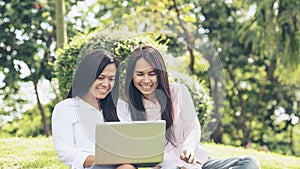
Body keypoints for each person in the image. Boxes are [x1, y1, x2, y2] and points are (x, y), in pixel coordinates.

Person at [122, 46, 261, 169]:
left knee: (249, 163)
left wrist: (188, 149)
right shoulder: (128, 111)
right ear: (132, 76)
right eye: (140, 74)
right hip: (168, 167)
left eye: (151, 74)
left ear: (160, 74)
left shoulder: (178, 91)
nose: (146, 80)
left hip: (198, 164)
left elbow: (192, 126)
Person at [52, 49, 136, 169]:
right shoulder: (65, 109)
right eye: (101, 78)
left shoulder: (121, 107)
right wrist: (103, 160)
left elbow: (132, 142)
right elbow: (65, 152)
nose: (106, 84)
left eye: (111, 79)